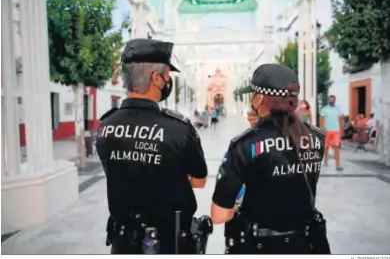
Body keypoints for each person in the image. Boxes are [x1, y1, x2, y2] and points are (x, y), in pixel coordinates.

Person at [96, 38, 209, 254]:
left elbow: (117, 169)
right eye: (167, 76)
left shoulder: (105, 126)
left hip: (123, 244)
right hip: (170, 243)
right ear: (156, 78)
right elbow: (199, 181)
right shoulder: (179, 129)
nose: (168, 81)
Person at [211, 64, 330, 254]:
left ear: (258, 99)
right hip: (307, 243)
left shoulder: (244, 145)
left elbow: (218, 215)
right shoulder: (317, 138)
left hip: (259, 246)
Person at [320, 95, 344, 171]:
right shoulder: (324, 109)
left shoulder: (338, 109)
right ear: (328, 100)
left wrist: (342, 130)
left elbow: (341, 120)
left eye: (333, 100)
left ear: (335, 100)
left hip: (336, 131)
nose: (331, 101)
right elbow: (321, 119)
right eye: (330, 99)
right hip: (327, 131)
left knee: (336, 147)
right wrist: (322, 128)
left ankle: (338, 165)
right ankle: (326, 161)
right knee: (326, 147)